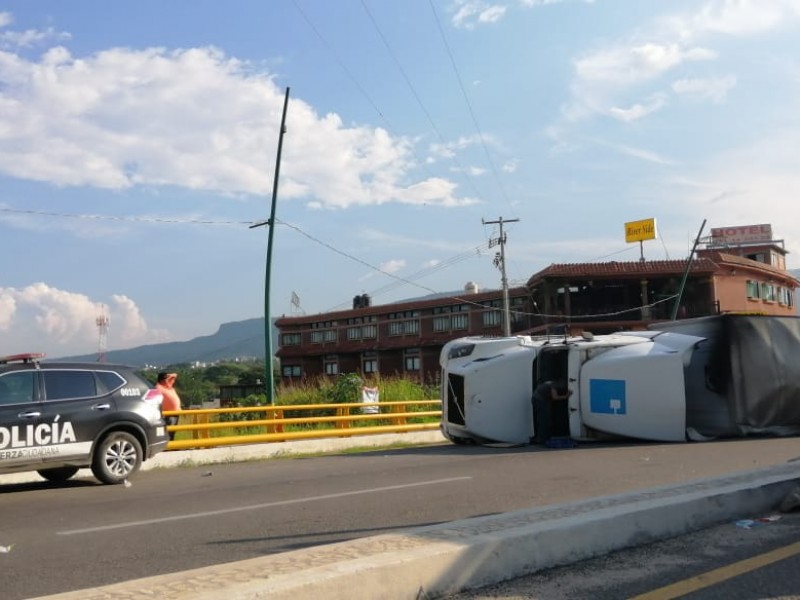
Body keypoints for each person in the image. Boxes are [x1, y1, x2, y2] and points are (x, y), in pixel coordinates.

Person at [530, 379, 571, 445]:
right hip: (540, 401)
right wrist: (566, 396)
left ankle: (541, 438)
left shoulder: (549, 383)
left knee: (542, 419)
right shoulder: (553, 386)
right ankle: (542, 439)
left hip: (537, 398)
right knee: (544, 420)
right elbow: (555, 397)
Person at [156, 372, 182, 441]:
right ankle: (168, 445)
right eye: (165, 379)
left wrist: (169, 376)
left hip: (175, 413)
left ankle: (171, 445)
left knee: (173, 431)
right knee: (168, 431)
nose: (168, 380)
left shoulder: (168, 386)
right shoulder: (158, 387)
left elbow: (175, 375)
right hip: (168, 414)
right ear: (161, 380)